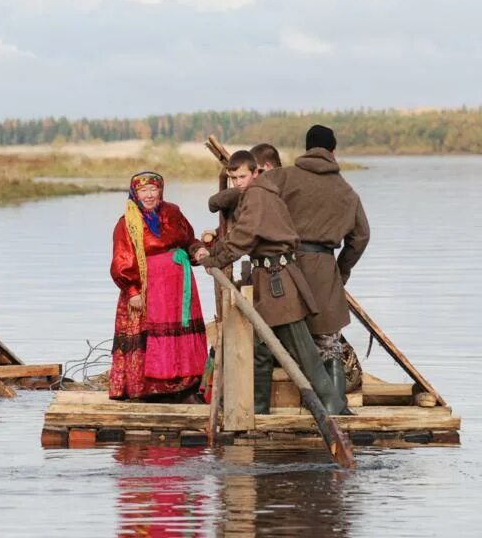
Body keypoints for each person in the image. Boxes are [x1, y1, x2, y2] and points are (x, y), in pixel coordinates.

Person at [197, 151, 346, 415]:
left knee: (303, 351)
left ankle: (333, 409)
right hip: (269, 280)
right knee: (260, 348)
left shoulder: (258, 195)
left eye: (242, 176)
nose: (238, 182)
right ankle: (258, 409)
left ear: (255, 173)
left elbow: (244, 236)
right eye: (233, 178)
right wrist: (216, 255)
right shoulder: (259, 192)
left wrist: (215, 259)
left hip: (278, 283)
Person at [260, 125, 370, 406]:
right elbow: (361, 237)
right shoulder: (347, 191)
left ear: (307, 148)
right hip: (324, 269)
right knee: (328, 343)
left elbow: (252, 198)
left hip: (284, 268)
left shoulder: (282, 177)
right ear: (333, 151)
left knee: (270, 337)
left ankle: (268, 406)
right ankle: (334, 407)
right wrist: (341, 271)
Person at [109, 171, 209, 402]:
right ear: (135, 193)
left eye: (153, 189)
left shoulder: (173, 212)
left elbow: (188, 240)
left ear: (161, 190)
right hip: (149, 287)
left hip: (178, 286)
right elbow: (121, 259)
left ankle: (184, 384)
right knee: (151, 334)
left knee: (181, 331)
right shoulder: (127, 223)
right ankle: (149, 388)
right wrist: (132, 290)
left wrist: (198, 250)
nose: (149, 195)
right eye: (143, 191)